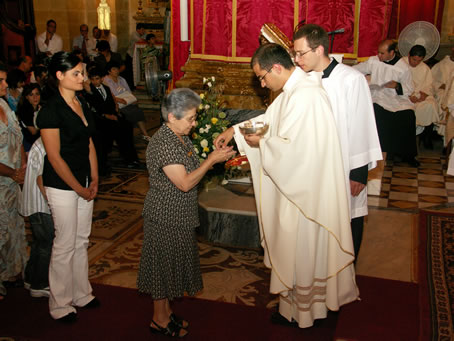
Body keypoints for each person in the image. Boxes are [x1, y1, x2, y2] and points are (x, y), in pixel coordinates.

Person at [214, 43, 358, 328]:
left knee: (301, 249)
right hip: (296, 188)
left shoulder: (306, 96)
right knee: (297, 251)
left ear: (276, 67)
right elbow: (269, 121)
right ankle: (295, 307)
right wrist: (235, 131)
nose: (262, 82)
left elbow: (299, 152)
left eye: (262, 77)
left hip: (304, 196)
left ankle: (303, 312)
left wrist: (262, 143)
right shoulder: (293, 93)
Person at [137, 88, 236, 337]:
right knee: (162, 268)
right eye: (190, 118)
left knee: (171, 267)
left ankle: (166, 313)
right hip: (165, 215)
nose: (194, 123)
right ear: (172, 117)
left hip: (179, 213)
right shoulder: (164, 143)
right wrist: (210, 161)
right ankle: (158, 319)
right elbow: (184, 183)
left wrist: (215, 159)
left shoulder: (180, 137)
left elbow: (191, 169)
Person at [292, 24, 382, 262]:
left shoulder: (351, 79)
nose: (297, 59)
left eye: (301, 53)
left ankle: (347, 272)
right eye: (295, 53)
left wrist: (359, 172)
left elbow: (362, 125)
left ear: (319, 49)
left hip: (345, 165)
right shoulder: (302, 80)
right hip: (314, 167)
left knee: (348, 217)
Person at [36, 51, 99, 323]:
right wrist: (78, 188)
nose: (82, 77)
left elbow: (88, 143)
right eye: (76, 73)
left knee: (81, 239)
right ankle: (60, 303)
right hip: (62, 184)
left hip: (84, 180)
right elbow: (54, 157)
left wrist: (94, 178)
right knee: (64, 243)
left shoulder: (80, 102)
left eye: (81, 72)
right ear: (59, 76)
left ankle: (81, 292)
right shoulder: (50, 110)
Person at [353, 39, 419, 167]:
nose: (379, 56)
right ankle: (379, 151)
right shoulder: (374, 61)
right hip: (378, 95)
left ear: (392, 52)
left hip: (396, 98)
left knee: (408, 115)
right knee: (377, 111)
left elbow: (409, 88)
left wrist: (397, 85)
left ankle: (407, 154)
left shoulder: (402, 67)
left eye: (382, 53)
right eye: (378, 52)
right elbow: (359, 68)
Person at [0, 62, 27, 299]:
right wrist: (11, 172)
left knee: (14, 227)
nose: (5, 84)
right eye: (0, 81)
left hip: (13, 178)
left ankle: (11, 273)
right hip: (2, 178)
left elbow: (18, 136)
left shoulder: (4, 105)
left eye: (4, 79)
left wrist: (22, 165)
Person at [83, 66, 142, 174]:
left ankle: (130, 158)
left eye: (97, 78)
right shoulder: (89, 91)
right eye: (93, 79)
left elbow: (110, 103)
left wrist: (115, 113)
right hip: (99, 119)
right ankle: (101, 165)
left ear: (102, 78)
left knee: (126, 126)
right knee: (106, 132)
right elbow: (93, 108)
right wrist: (106, 115)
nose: (95, 81)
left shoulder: (106, 88)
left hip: (111, 116)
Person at [20, 137, 55, 298]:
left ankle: (30, 277)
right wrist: (53, 204)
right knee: (46, 244)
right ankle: (40, 284)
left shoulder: (41, 142)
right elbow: (41, 179)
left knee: (39, 242)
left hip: (35, 204)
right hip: (40, 206)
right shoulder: (47, 145)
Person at [103, 61, 150, 140]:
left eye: (117, 69)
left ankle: (145, 134)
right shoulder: (105, 80)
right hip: (116, 103)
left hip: (126, 101)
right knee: (129, 112)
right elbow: (108, 95)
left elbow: (129, 92)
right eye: (114, 69)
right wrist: (118, 100)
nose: (116, 71)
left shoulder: (122, 79)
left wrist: (133, 99)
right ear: (109, 71)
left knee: (138, 111)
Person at [16, 83, 41, 152]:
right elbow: (33, 131)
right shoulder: (24, 110)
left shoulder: (42, 107)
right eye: (31, 95)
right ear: (26, 97)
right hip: (29, 145)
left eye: (37, 94)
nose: (35, 97)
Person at [125, 23, 147, 89]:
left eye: (144, 30)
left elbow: (147, 39)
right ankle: (131, 86)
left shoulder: (144, 34)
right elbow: (141, 41)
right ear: (138, 30)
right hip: (130, 55)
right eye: (142, 30)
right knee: (130, 72)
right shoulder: (134, 34)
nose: (143, 31)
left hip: (138, 56)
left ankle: (136, 85)